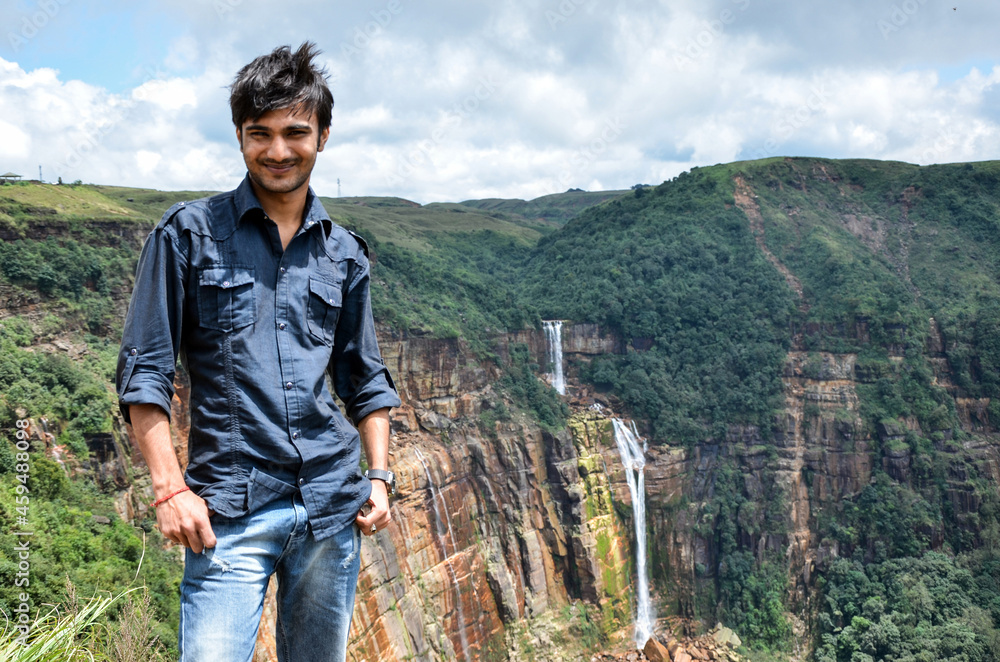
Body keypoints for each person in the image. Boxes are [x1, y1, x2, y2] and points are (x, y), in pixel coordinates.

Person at [115, 42, 400, 661]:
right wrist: (169, 490)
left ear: (323, 136)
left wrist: (378, 476)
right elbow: (144, 373)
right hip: (231, 513)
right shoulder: (188, 235)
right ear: (240, 137)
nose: (277, 151)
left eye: (295, 131)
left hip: (332, 509)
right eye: (259, 133)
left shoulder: (345, 254)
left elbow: (364, 378)